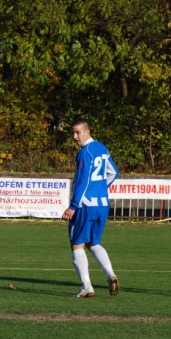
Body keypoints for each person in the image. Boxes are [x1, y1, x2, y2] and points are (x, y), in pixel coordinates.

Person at [61, 119, 120, 298]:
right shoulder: (102, 148)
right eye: (73, 133)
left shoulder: (84, 153)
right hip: (102, 204)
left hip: (85, 205)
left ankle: (86, 286)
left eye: (78, 132)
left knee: (76, 244)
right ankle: (110, 274)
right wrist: (100, 189)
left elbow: (83, 181)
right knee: (93, 243)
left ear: (88, 132)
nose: (75, 137)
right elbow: (114, 172)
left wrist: (73, 206)